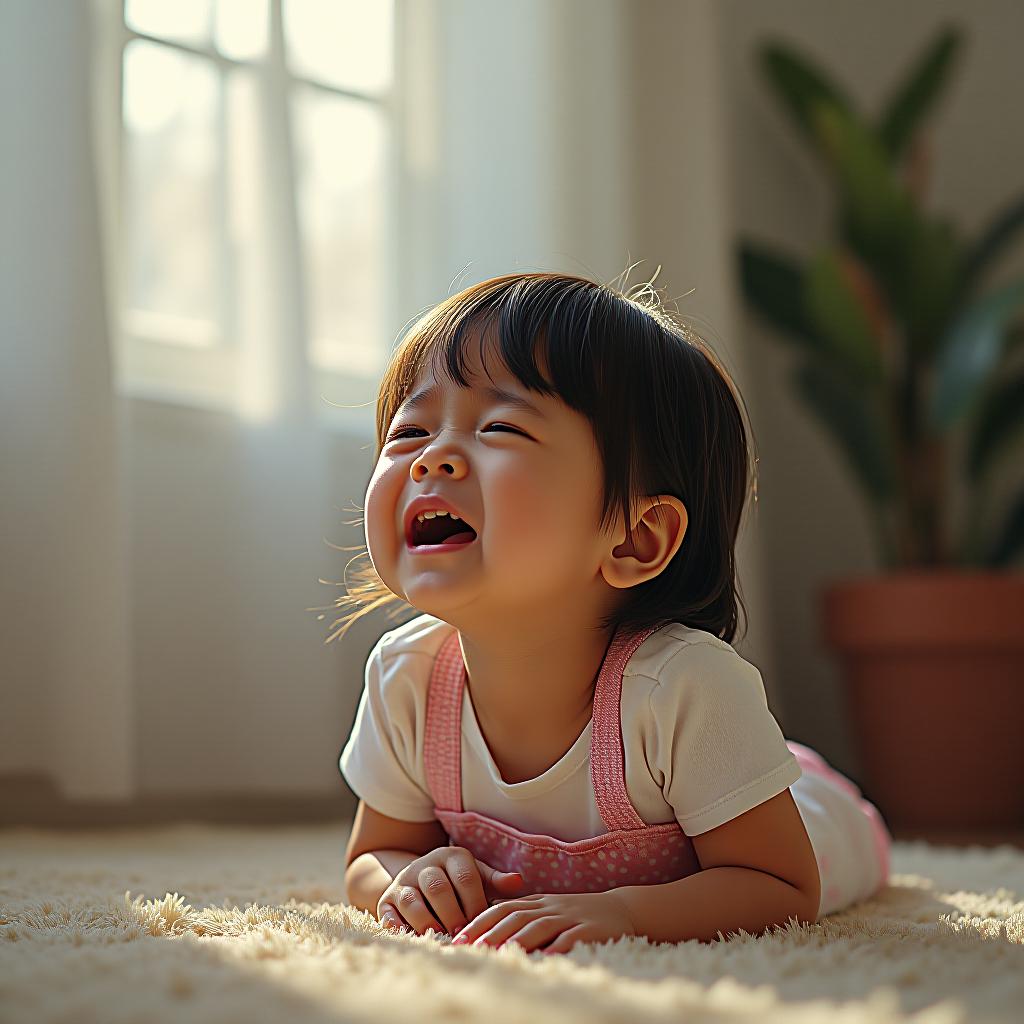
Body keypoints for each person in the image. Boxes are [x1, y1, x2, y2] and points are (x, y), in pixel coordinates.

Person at [335, 271, 891, 954]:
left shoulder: (684, 689)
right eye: (411, 429)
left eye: (500, 426)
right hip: (708, 774)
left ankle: (790, 771)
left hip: (807, 813)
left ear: (634, 538)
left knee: (785, 793)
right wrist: (411, 876)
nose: (431, 460)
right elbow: (372, 858)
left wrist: (625, 916)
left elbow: (779, 884)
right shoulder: (407, 677)